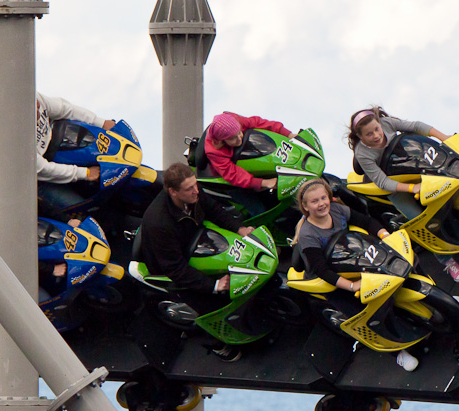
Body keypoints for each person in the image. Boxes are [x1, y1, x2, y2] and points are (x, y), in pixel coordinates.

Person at [292, 178, 420, 372]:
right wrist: (352, 286)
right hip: (332, 277)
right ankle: (398, 352)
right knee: (363, 310)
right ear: (305, 206)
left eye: (323, 198)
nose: (321, 204)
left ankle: (430, 291)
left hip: (351, 258)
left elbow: (366, 221)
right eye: (314, 201)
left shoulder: (336, 210)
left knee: (408, 260)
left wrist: (386, 236)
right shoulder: (308, 235)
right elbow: (321, 270)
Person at [139, 162, 254, 362]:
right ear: (173, 192)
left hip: (193, 241)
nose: (196, 191)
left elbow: (214, 209)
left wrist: (239, 228)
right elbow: (175, 269)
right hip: (171, 263)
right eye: (189, 188)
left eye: (195, 185)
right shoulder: (159, 222)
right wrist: (214, 285)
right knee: (209, 305)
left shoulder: (193, 195)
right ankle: (217, 343)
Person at [347, 106, 459, 283]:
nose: (376, 135)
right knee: (422, 221)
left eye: (376, 129)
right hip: (394, 183)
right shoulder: (363, 153)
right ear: (360, 137)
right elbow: (383, 182)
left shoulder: (387, 123)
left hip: (410, 163)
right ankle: (448, 262)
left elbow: (416, 126)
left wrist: (445, 138)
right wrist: (412, 188)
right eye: (369, 134)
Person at [34, 92, 116, 219]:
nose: (38, 110)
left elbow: (65, 109)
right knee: (84, 209)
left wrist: (101, 122)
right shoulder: (10, 139)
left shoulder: (34, 98)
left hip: (60, 144)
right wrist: (85, 173)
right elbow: (42, 169)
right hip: (38, 178)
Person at [202, 112, 291, 192]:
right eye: (233, 138)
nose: (239, 138)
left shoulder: (235, 120)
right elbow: (232, 174)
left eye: (239, 132)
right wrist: (263, 182)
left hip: (247, 156)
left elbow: (258, 122)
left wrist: (288, 134)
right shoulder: (214, 151)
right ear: (222, 140)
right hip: (227, 177)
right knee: (257, 207)